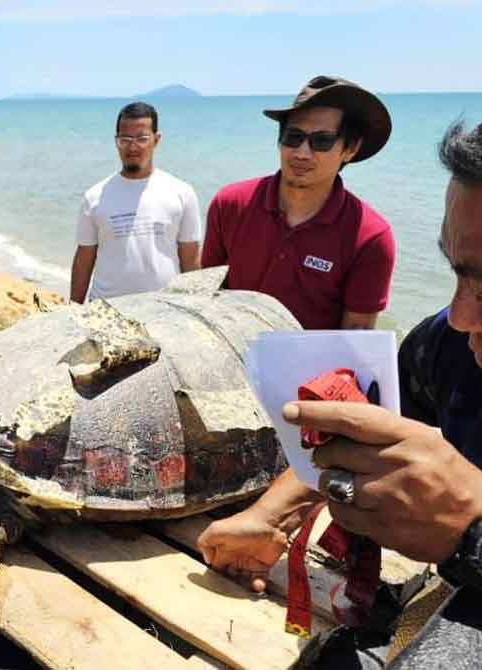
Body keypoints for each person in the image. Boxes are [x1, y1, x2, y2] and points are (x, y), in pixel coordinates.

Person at [198, 121, 482, 665]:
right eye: (457, 272)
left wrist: (472, 531)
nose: (463, 315)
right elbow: (366, 423)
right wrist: (273, 517)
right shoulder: (443, 346)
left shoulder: (365, 234)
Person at [201, 76, 396, 330]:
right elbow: (205, 295)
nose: (302, 153)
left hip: (314, 369)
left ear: (350, 149)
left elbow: (355, 338)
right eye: (293, 137)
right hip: (232, 358)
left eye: (322, 141)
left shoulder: (370, 237)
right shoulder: (229, 204)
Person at [70, 102, 202, 303]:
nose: (133, 147)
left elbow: (190, 258)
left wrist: (196, 307)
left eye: (141, 138)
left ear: (156, 140)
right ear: (116, 141)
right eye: (125, 139)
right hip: (106, 312)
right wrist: (73, 309)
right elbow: (84, 258)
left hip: (166, 310)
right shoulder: (94, 196)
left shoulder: (182, 192)